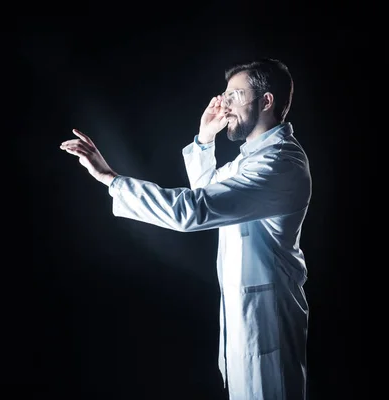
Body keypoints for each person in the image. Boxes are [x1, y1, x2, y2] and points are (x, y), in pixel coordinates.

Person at [60, 58, 312, 400]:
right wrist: (205, 140)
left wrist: (111, 179)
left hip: (269, 321)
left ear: (267, 101)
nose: (224, 104)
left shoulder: (280, 163)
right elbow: (208, 196)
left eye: (235, 95)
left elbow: (192, 212)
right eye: (223, 95)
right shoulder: (250, 159)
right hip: (247, 318)